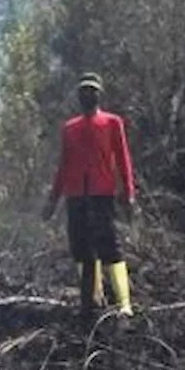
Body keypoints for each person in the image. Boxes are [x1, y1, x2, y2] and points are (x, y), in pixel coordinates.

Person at [42, 72, 138, 317]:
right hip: (76, 196)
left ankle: (124, 304)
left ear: (99, 94)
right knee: (82, 248)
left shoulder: (112, 123)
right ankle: (92, 300)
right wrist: (53, 200)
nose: (88, 95)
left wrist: (128, 193)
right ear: (78, 96)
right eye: (84, 91)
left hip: (101, 194)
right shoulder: (70, 128)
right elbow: (63, 166)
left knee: (109, 247)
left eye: (93, 90)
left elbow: (123, 159)